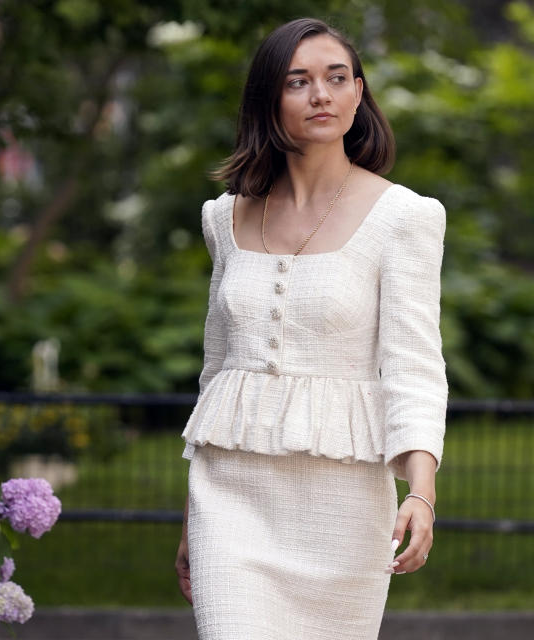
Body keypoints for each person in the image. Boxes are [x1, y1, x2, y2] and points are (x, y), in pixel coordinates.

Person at [174, 17, 448, 640]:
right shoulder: (224, 219)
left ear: (358, 93)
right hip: (230, 501)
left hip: (342, 507)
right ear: (269, 99)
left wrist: (421, 492)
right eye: (298, 81)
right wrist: (192, 516)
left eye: (336, 77)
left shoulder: (404, 217)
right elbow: (216, 372)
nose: (320, 94)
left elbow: (414, 365)